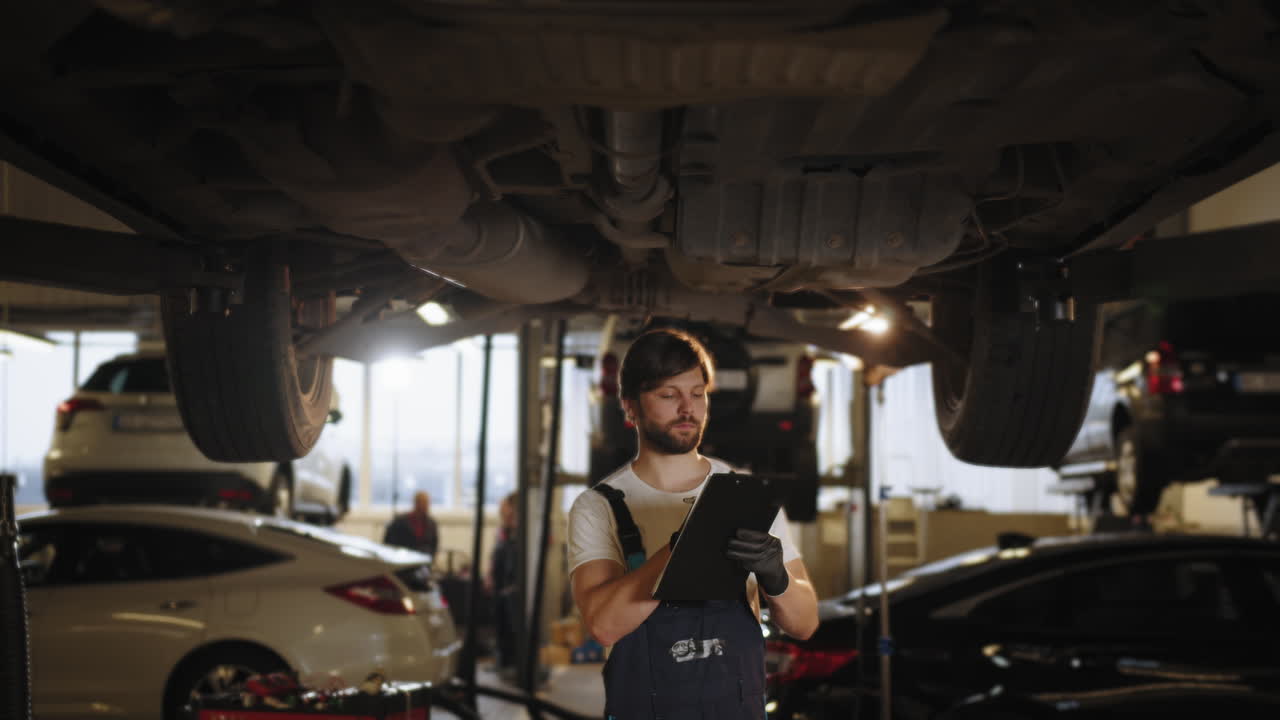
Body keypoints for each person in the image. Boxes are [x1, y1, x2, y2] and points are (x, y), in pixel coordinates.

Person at [568, 328, 819, 719]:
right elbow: (603, 626)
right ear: (630, 406)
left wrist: (777, 580)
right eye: (669, 395)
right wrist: (681, 551)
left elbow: (804, 624)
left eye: (698, 393)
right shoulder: (598, 507)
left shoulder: (745, 495)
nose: (688, 408)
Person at [488, 492, 521, 673]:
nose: (504, 513)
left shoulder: (519, 530)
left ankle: (514, 663)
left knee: (512, 626)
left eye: (506, 509)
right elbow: (494, 557)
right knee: (501, 623)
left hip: (513, 587)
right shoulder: (503, 531)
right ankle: (504, 661)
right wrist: (489, 575)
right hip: (501, 585)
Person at [383, 490, 439, 556]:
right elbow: (389, 543)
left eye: (426, 503)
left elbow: (434, 545)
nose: (425, 506)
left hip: (424, 559)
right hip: (404, 558)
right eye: (422, 502)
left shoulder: (431, 524)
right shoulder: (400, 521)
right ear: (416, 503)